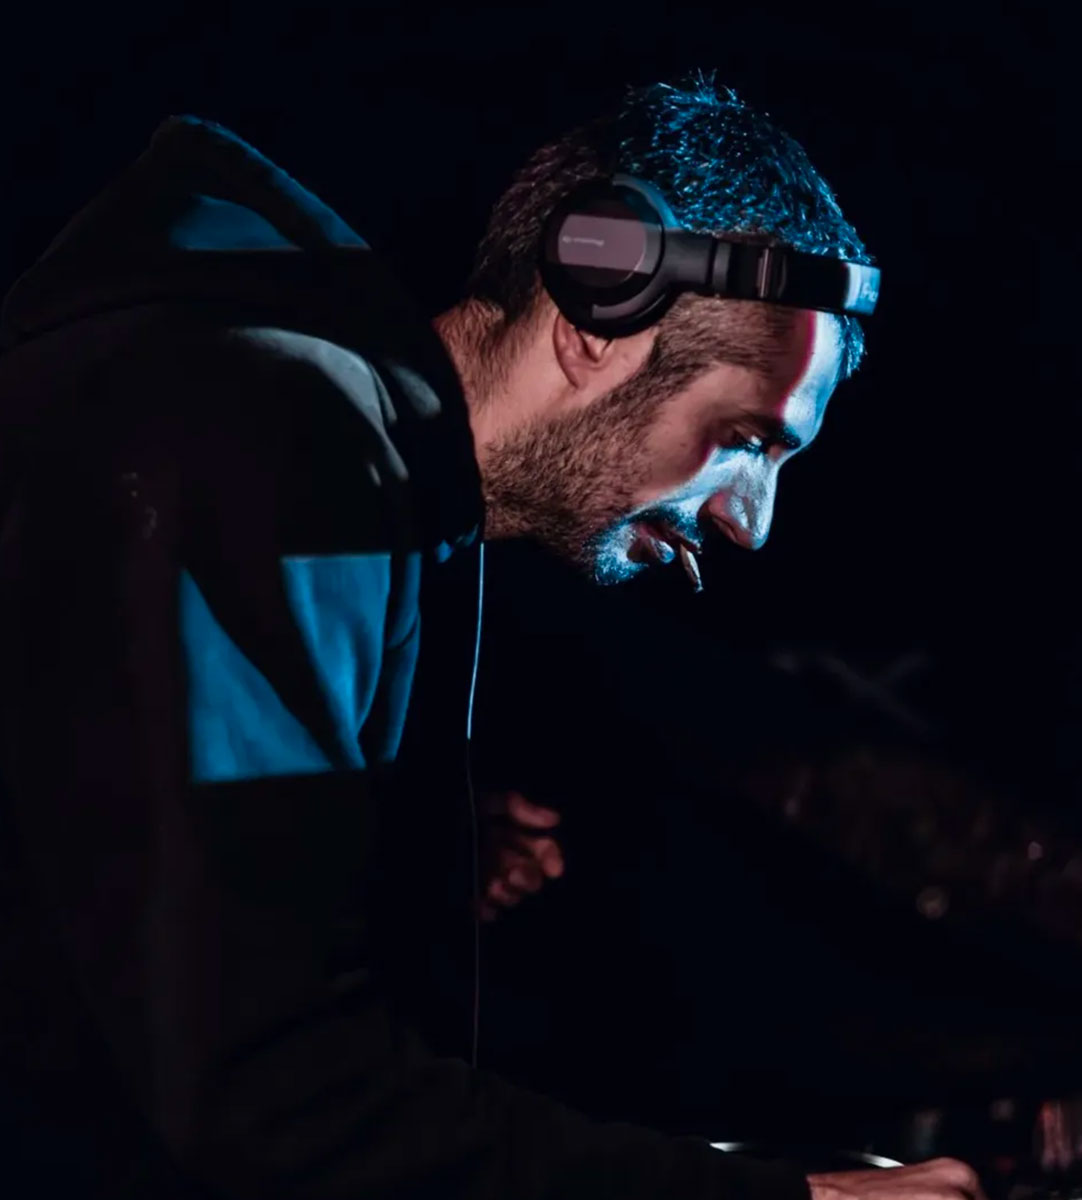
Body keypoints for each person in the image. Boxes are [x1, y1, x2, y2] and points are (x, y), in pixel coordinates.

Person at [0, 74, 984, 1200]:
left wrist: (384, 849)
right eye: (746, 439)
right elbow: (269, 1101)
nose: (749, 523)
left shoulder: (345, 467)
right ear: (600, 313)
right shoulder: (266, 441)